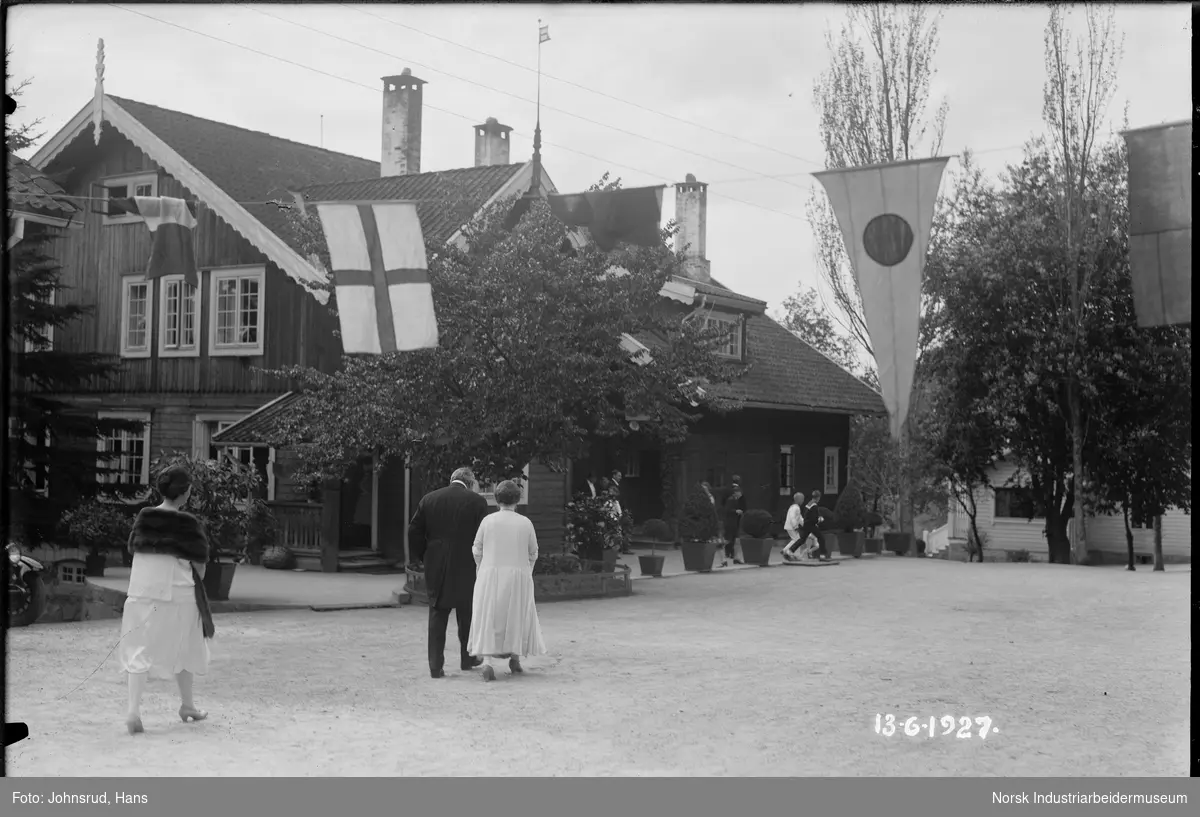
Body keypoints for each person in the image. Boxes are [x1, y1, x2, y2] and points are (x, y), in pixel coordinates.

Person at [121, 465, 215, 735]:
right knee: (185, 648)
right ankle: (187, 705)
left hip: (142, 591)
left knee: (138, 648)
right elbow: (200, 566)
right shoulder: (189, 523)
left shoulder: (143, 517)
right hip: (179, 593)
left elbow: (133, 549)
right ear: (185, 493)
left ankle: (133, 711)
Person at [409, 467, 490, 678]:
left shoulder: (429, 499)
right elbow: (484, 537)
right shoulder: (478, 502)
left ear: (452, 479)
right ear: (470, 483)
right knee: (467, 613)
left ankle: (435, 666)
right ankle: (467, 657)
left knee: (437, 612)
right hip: (466, 562)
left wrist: (422, 556)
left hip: (436, 562)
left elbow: (414, 531)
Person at [468, 480, 547, 682]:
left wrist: (482, 566)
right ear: (517, 500)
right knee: (517, 613)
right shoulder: (525, 522)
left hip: (490, 573)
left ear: (497, 499)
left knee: (489, 614)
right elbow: (533, 552)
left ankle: (487, 661)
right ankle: (515, 657)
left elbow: (476, 548)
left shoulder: (488, 521)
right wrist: (526, 570)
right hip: (517, 575)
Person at [720, 476, 747, 567]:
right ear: (736, 493)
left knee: (736, 540)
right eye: (739, 493)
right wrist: (736, 511)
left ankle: (736, 558)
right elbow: (727, 510)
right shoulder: (731, 500)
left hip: (735, 522)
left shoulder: (734, 499)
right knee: (727, 541)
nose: (740, 495)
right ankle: (724, 559)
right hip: (730, 523)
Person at [799, 490, 829, 561]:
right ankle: (822, 556)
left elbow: (807, 515)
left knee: (802, 540)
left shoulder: (808, 504)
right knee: (821, 538)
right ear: (818, 497)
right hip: (811, 525)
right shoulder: (814, 505)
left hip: (806, 524)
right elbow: (814, 518)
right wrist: (819, 519)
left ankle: (791, 550)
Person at [780, 492, 806, 562]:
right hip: (791, 526)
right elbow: (793, 518)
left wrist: (805, 524)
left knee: (797, 540)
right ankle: (788, 552)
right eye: (802, 499)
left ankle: (787, 551)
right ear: (798, 499)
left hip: (790, 526)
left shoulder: (795, 507)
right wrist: (795, 527)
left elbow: (799, 518)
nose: (803, 501)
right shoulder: (795, 508)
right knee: (797, 540)